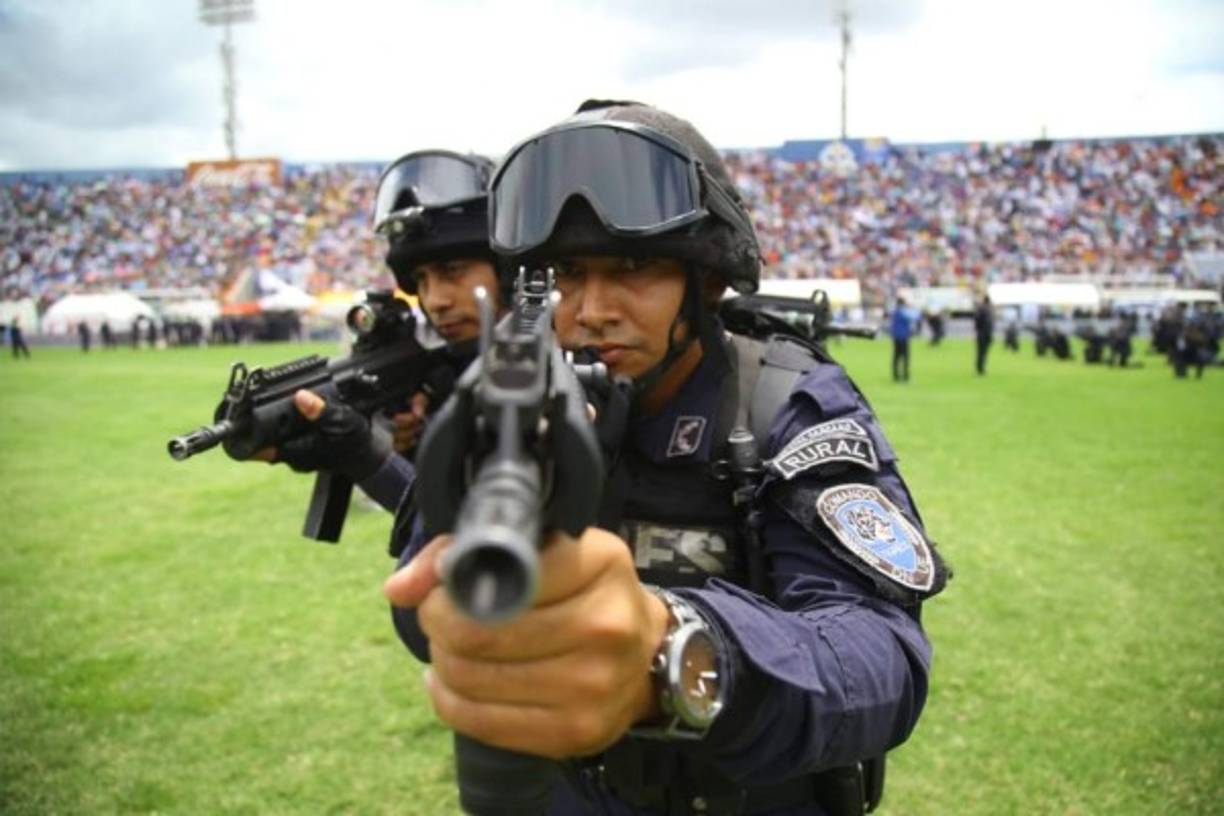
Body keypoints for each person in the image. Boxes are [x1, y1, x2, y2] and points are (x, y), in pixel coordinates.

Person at [383, 101, 947, 815]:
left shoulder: (781, 402)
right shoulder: (518, 396)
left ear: (706, 280)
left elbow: (881, 658)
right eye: (567, 272)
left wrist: (678, 649)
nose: (591, 309)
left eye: (634, 267)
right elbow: (416, 602)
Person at [254, 149, 506, 502]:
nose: (434, 299)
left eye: (453, 271)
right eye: (421, 279)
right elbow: (430, 531)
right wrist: (409, 448)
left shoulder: (565, 373)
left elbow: (483, 534)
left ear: (508, 271)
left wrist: (367, 456)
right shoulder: (446, 374)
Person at [888, 297, 918, 381]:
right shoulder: (903, 311)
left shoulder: (895, 311)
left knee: (896, 356)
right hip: (903, 337)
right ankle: (905, 376)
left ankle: (896, 375)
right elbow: (915, 316)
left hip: (896, 336)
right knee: (905, 357)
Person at [973, 296, 994, 375]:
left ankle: (979, 368)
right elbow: (988, 324)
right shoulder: (988, 310)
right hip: (985, 334)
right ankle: (981, 369)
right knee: (983, 352)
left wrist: (977, 330)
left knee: (979, 352)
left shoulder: (979, 309)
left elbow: (976, 322)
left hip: (980, 333)